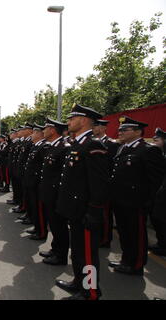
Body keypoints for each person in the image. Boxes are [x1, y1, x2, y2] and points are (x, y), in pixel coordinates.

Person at [55, 104, 109, 300]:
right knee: (78, 251)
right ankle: (79, 282)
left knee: (87, 255)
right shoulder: (77, 144)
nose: (68, 121)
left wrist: (94, 211)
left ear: (84, 120)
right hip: (76, 210)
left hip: (86, 211)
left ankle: (90, 292)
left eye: (72, 118)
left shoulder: (93, 145)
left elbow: (99, 184)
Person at [110, 117, 166, 275]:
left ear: (137, 132)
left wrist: (146, 202)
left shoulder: (148, 149)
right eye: (120, 129)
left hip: (136, 203)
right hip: (120, 200)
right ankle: (126, 260)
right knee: (124, 233)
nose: (120, 132)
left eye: (124, 130)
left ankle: (136, 265)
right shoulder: (123, 148)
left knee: (137, 236)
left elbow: (155, 180)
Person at [38, 118, 70, 265]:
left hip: (56, 194)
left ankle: (61, 255)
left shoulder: (64, 147)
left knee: (59, 226)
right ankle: (55, 249)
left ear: (53, 130)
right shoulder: (52, 146)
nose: (43, 131)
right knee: (54, 225)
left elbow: (63, 175)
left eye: (46, 128)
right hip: (49, 193)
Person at [92, 119, 121, 248]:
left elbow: (112, 166)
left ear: (103, 128)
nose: (94, 128)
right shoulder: (93, 142)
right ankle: (96, 235)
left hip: (105, 184)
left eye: (97, 126)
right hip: (94, 184)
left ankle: (104, 239)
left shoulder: (111, 144)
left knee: (105, 214)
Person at [23, 124, 48, 240]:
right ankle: (37, 228)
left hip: (37, 183)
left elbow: (42, 168)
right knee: (34, 206)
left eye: (34, 133)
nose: (32, 135)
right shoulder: (35, 146)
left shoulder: (43, 147)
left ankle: (41, 232)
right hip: (32, 182)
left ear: (39, 134)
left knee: (39, 209)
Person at [151, 127, 166, 256]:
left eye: (158, 138)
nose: (154, 139)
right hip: (158, 193)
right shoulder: (158, 153)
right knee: (157, 219)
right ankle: (161, 243)